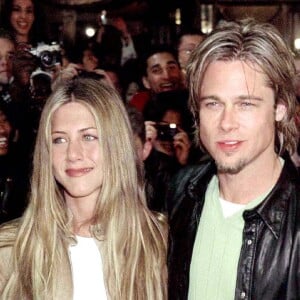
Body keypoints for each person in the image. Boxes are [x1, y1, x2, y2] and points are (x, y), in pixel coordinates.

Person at [167, 18, 300, 300]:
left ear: (279, 108)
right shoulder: (176, 194)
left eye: (245, 104)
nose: (227, 123)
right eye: (213, 103)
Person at [0, 77, 167, 299]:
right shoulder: (11, 249)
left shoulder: (157, 242)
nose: (73, 154)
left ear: (115, 144)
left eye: (89, 137)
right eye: (59, 140)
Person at [129, 45, 185, 112]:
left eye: (171, 67)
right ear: (146, 82)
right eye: (156, 70)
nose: (166, 76)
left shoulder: (194, 103)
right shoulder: (138, 108)